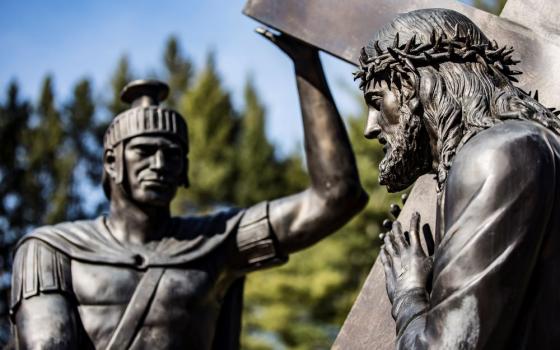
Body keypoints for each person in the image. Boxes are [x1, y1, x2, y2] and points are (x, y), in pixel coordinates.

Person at [9, 31, 368, 350]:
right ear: (111, 163)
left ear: (186, 170)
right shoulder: (50, 251)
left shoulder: (216, 242)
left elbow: (336, 196)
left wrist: (306, 64)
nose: (160, 164)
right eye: (144, 151)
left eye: (173, 155)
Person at [355, 8, 560, 349]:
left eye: (377, 102)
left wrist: (408, 294)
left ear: (408, 82)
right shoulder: (528, 148)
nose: (370, 127)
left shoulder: (496, 156)